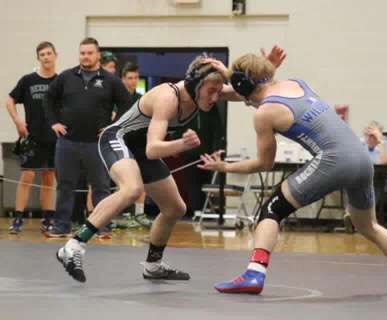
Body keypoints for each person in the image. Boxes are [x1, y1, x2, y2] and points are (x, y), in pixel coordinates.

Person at [198, 53, 387, 295]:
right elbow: (250, 91)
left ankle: (254, 274)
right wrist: (231, 75)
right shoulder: (297, 83)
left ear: (242, 86)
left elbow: (264, 163)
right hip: (362, 159)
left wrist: (225, 167)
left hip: (334, 160)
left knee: (272, 208)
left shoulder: (264, 114)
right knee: (369, 226)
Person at [54, 47, 287, 283]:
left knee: (175, 208)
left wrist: (268, 70)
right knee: (132, 189)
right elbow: (153, 149)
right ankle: (73, 246)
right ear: (196, 84)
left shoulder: (204, 90)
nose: (216, 98)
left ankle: (153, 265)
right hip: (118, 139)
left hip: (142, 149)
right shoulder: (168, 97)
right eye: (212, 92)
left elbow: (245, 93)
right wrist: (182, 144)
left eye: (219, 92)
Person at [43, 37, 131, 237]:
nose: (86, 56)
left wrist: (113, 126)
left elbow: (127, 103)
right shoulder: (66, 77)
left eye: (90, 53)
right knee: (65, 185)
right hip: (67, 142)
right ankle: (61, 225)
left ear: (98, 55)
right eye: (82, 53)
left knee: (100, 187)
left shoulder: (111, 81)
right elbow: (48, 98)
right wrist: (53, 122)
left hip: (97, 144)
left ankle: (102, 226)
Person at [6, 41, 58, 234]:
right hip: (32, 137)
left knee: (48, 178)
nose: (46, 57)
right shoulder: (28, 80)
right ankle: (18, 218)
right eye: (42, 54)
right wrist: (18, 121)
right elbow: (9, 100)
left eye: (48, 53)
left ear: (55, 55)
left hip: (53, 139)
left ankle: (48, 219)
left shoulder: (60, 81)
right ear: (38, 58)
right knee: (27, 176)